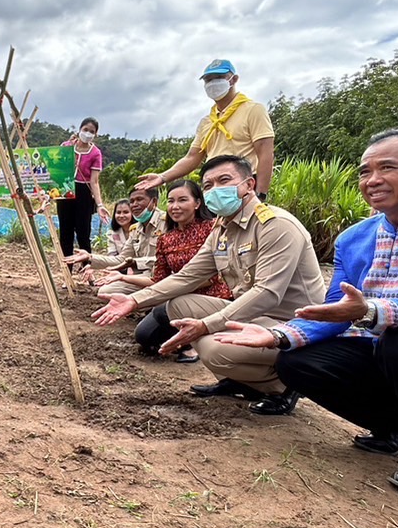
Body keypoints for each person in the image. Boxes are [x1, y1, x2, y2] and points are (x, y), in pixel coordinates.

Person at [215, 130, 398, 500]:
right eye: (365, 171)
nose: (373, 180)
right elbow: (337, 310)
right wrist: (279, 335)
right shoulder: (354, 238)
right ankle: (394, 426)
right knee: (296, 362)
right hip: (386, 354)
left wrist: (373, 310)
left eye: (387, 168)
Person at [93, 154, 324, 415]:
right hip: (251, 314)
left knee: (213, 349)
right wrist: (135, 300)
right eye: (208, 185)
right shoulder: (222, 229)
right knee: (178, 305)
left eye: (224, 180)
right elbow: (187, 276)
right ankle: (241, 380)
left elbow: (267, 293)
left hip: (291, 324)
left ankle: (285, 385)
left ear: (249, 184)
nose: (215, 190)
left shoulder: (275, 225)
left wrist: (205, 325)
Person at [138, 60, 276, 199]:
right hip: (213, 186)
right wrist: (162, 177)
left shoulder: (253, 110)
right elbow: (192, 157)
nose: (213, 83)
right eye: (208, 80)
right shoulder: (207, 122)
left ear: (234, 79)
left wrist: (260, 194)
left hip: (242, 184)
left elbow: (265, 153)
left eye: (219, 77)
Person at [134, 180, 233, 361]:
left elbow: (218, 274)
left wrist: (177, 288)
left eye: (182, 200)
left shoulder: (213, 229)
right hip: (178, 296)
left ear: (197, 203)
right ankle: (188, 336)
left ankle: (195, 343)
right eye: (171, 201)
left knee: (162, 311)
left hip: (214, 297)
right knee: (144, 336)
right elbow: (159, 279)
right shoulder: (165, 239)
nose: (175, 206)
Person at [67, 186, 165, 294]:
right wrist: (90, 257)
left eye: (139, 199)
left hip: (164, 276)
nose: (135, 204)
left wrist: (134, 263)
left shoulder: (167, 223)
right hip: (142, 276)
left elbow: (166, 260)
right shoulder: (136, 229)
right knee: (105, 291)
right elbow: (121, 259)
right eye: (132, 201)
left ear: (154, 201)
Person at [57, 117, 110, 257]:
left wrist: (100, 205)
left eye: (91, 131)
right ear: (80, 129)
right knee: (65, 232)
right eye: (85, 130)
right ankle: (66, 267)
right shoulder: (66, 146)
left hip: (83, 193)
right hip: (65, 190)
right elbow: (57, 170)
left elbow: (94, 181)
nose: (87, 133)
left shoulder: (95, 153)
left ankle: (87, 265)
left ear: (95, 134)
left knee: (83, 232)